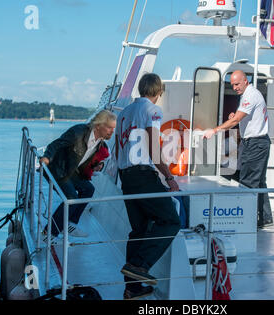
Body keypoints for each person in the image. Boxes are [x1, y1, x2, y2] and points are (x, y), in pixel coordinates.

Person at [115, 73, 181, 300]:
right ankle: (140, 266)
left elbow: (117, 151)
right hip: (143, 175)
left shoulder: (123, 114)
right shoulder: (153, 111)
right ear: (158, 91)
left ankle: (131, 288)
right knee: (171, 221)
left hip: (126, 176)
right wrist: (169, 178)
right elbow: (154, 148)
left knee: (139, 230)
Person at [204, 70, 273, 228]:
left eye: (237, 84)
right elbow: (241, 118)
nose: (234, 87)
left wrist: (213, 131)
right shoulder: (248, 95)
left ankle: (247, 221)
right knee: (259, 182)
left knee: (248, 182)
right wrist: (236, 118)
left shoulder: (250, 95)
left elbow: (236, 120)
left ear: (245, 81)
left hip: (256, 144)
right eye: (232, 85)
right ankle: (265, 218)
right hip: (254, 143)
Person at [39, 109, 116, 241]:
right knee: (71, 197)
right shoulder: (79, 132)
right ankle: (49, 233)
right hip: (58, 168)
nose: (112, 131)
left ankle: (70, 223)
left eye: (113, 128)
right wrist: (47, 157)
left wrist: (97, 166)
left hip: (71, 170)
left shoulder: (100, 143)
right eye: (109, 127)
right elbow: (55, 144)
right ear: (98, 125)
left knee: (88, 189)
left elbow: (85, 159)